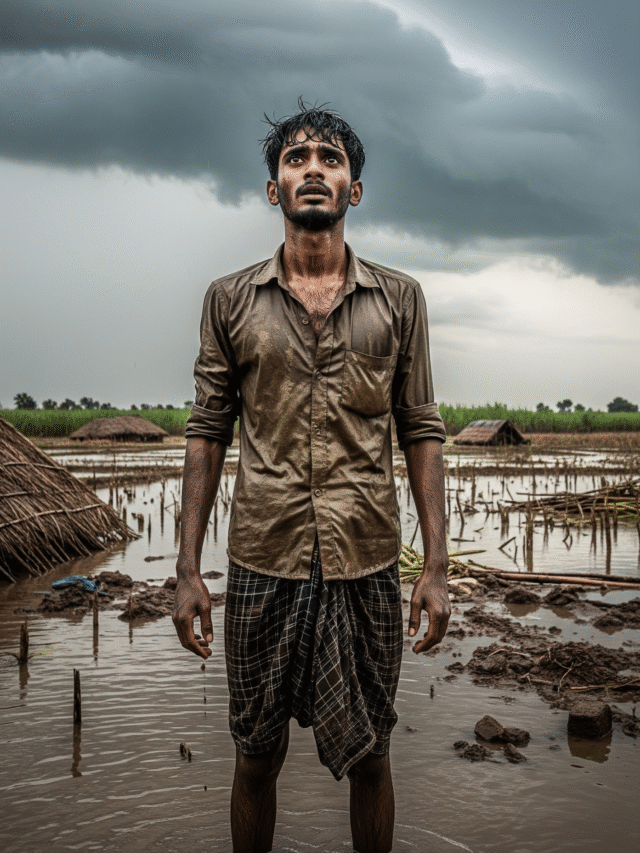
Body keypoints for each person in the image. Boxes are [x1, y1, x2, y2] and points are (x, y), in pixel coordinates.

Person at [173, 101, 450, 853]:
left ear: (353, 189)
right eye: (296, 159)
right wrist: (187, 569)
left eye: (330, 158)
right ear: (274, 189)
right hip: (263, 559)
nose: (314, 170)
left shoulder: (400, 299)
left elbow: (420, 429)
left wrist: (435, 566)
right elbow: (206, 431)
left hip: (366, 562)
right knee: (255, 753)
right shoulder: (229, 299)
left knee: (373, 753)